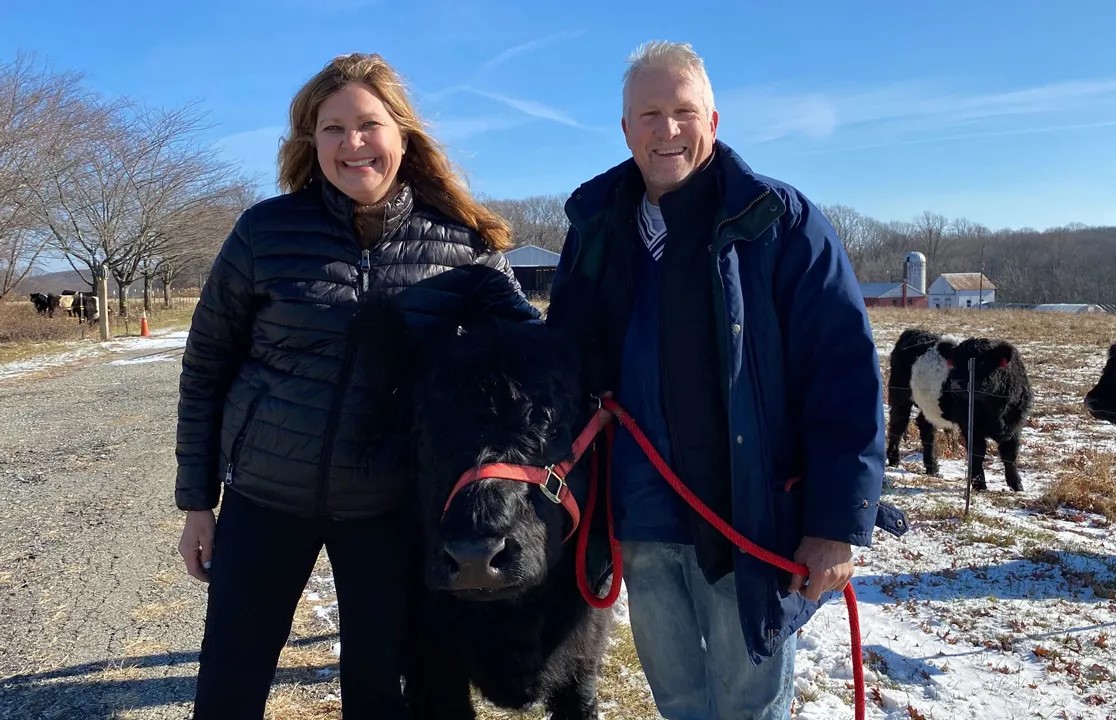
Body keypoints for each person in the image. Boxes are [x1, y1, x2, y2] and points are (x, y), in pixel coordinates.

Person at [175, 52, 539, 719]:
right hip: (266, 496)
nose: (353, 144)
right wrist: (198, 502)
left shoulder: (461, 243)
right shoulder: (264, 233)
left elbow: (531, 357)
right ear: (311, 143)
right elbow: (205, 369)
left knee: (379, 689)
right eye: (332, 129)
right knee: (231, 678)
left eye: (368, 125)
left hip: (390, 506)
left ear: (402, 134)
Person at [546, 41, 898, 719]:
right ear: (624, 129)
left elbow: (844, 376)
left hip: (748, 520)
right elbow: (565, 363)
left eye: (683, 110)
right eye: (648, 113)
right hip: (640, 520)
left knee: (747, 705)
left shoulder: (779, 223)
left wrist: (836, 523)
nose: (666, 129)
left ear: (714, 120)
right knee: (678, 699)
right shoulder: (595, 227)